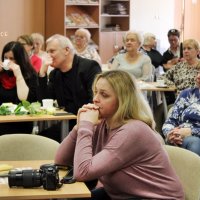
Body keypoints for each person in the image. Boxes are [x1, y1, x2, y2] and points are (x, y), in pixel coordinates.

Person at [55, 70, 184, 200]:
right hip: (123, 195)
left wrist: (86, 127)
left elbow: (82, 172)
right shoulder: (101, 123)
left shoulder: (133, 131)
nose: (95, 99)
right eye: (95, 92)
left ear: (123, 100)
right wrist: (78, 127)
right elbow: (61, 161)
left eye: (104, 95)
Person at [38, 34, 101, 142]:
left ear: (67, 50)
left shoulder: (89, 67)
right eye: (47, 52)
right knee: (40, 139)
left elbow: (95, 101)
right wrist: (42, 74)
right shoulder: (55, 74)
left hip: (89, 123)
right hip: (67, 124)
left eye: (52, 51)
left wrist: (82, 122)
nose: (48, 56)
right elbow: (44, 101)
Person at [0, 41, 38, 134]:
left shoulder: (30, 75)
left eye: (12, 58)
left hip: (20, 123)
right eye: (5, 58)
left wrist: (19, 75)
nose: (8, 61)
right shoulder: (1, 74)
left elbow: (25, 100)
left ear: (20, 59)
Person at [162, 70, 200, 155]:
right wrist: (170, 133)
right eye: (198, 72)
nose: (198, 76)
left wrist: (191, 131)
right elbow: (170, 121)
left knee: (194, 142)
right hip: (180, 136)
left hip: (194, 138)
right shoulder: (186, 94)